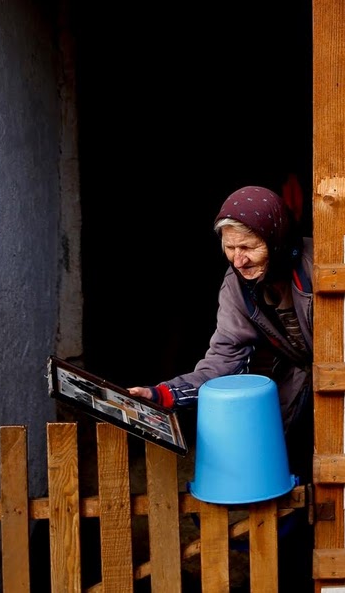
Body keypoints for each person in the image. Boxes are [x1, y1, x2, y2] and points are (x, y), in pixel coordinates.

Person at [128, 184, 314, 571]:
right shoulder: (237, 286)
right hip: (299, 383)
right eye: (230, 248)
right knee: (289, 471)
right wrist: (163, 394)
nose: (239, 260)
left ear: (277, 238)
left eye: (249, 247)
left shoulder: (319, 266)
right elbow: (224, 358)